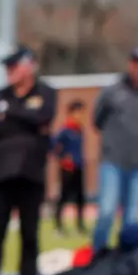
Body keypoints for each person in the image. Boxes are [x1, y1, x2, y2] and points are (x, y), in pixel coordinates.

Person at [0, 47, 57, 275]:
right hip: (2, 174)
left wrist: (11, 115)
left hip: (31, 173)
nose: (10, 72)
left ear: (30, 66)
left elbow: (44, 117)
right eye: (8, 68)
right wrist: (28, 120)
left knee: (30, 233)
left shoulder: (45, 93)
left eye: (15, 67)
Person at [89, 46, 138, 253]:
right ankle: (97, 257)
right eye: (135, 63)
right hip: (113, 160)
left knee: (132, 220)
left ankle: (126, 263)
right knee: (106, 212)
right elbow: (97, 120)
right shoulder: (113, 91)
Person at [51, 100, 87, 234]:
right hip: (67, 168)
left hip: (78, 166)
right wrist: (63, 157)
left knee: (80, 197)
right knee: (64, 196)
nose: (81, 116)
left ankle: (80, 225)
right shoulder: (65, 130)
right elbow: (53, 145)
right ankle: (58, 225)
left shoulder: (79, 130)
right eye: (79, 113)